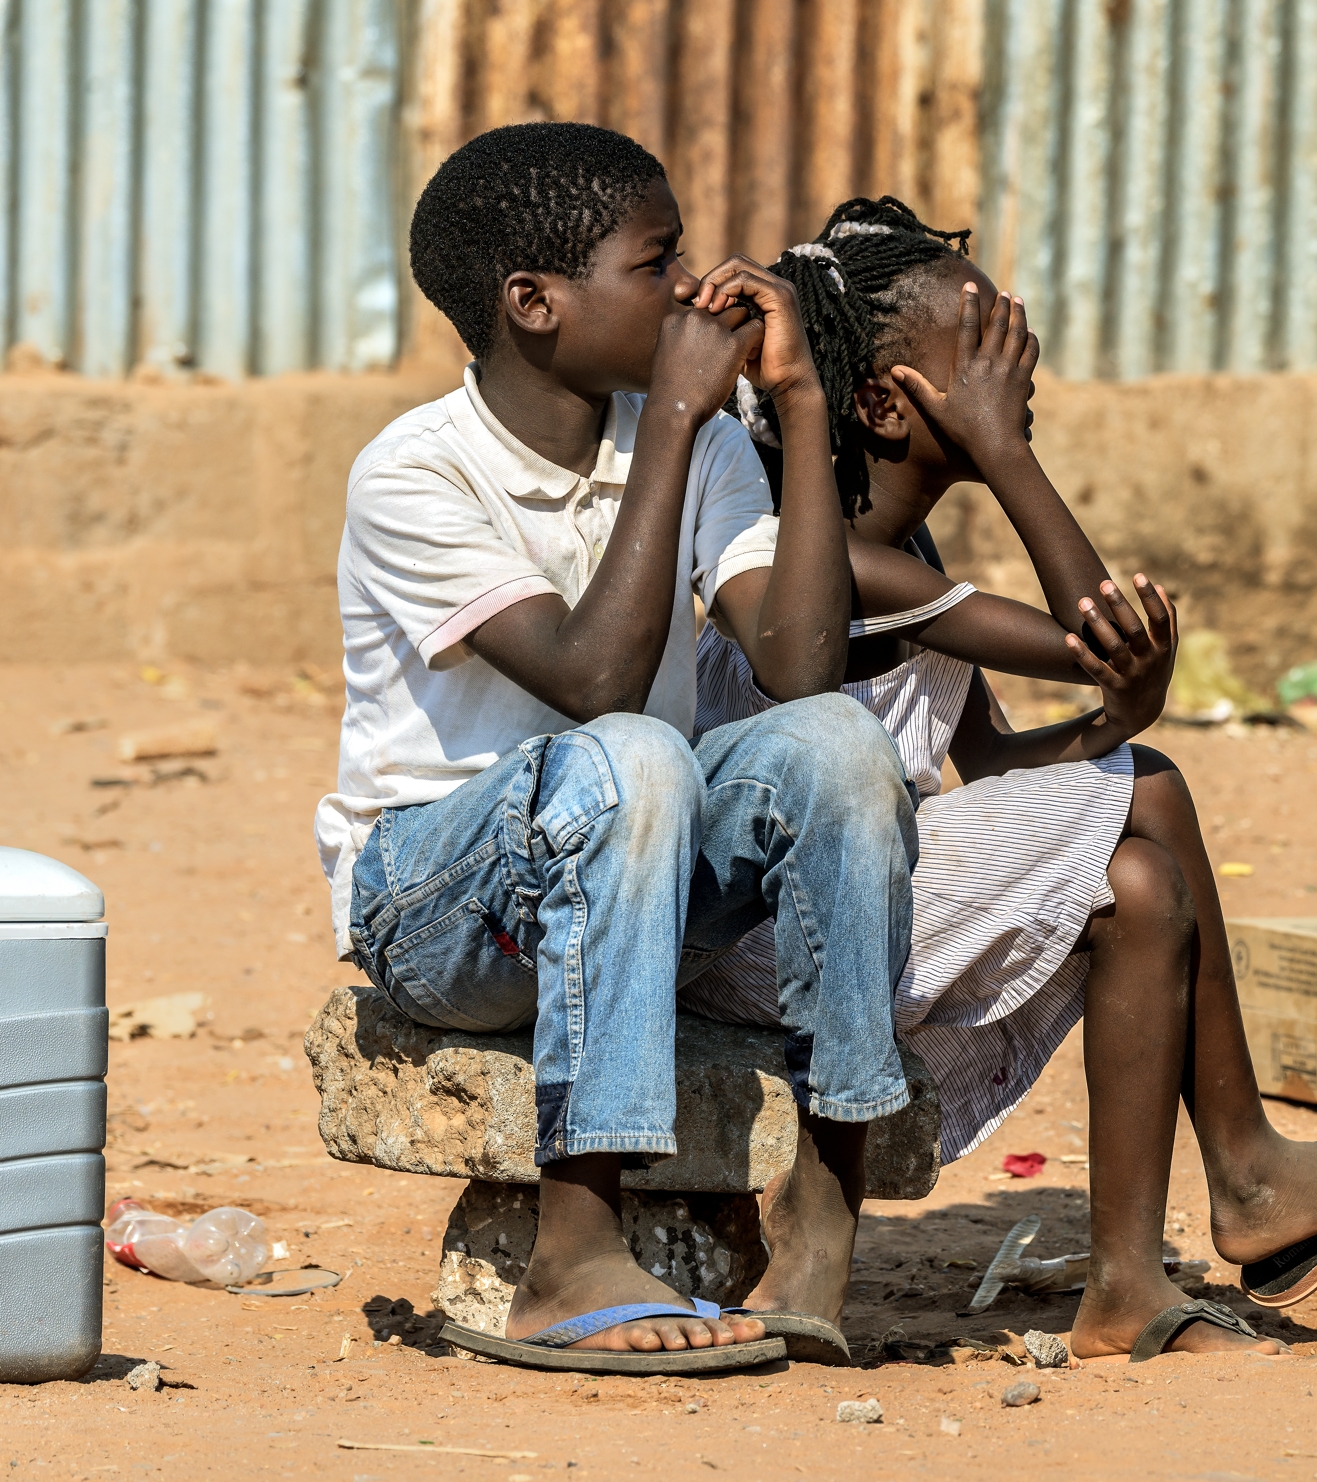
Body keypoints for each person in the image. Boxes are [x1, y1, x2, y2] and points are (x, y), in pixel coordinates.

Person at [686, 197, 1317, 1363]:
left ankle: (1128, 1289)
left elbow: (993, 760)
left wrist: (1113, 714)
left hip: (865, 901)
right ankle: (1244, 1169)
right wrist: (1008, 454)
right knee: (1144, 784)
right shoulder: (828, 561)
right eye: (984, 345)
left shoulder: (916, 553)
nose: (1020, 359)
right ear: (886, 405)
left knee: (1141, 875)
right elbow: (1089, 629)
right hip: (774, 941)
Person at [316, 124, 917, 1372]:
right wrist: (685, 417)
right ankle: (570, 1250)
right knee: (637, 748)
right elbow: (593, 679)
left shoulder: (690, 439)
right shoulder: (416, 474)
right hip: (442, 908)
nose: (700, 290)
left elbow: (795, 663)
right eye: (659, 264)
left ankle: (826, 1194)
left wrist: (796, 409)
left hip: (627, 874)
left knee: (838, 742)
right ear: (534, 304)